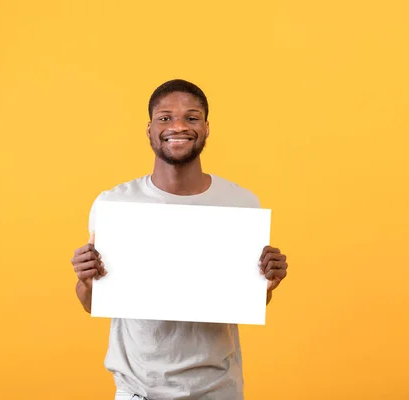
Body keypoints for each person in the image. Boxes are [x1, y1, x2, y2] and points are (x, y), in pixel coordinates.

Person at [71, 79, 289, 400]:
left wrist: (267, 284)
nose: (178, 126)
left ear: (206, 127)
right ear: (149, 129)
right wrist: (86, 278)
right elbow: (93, 303)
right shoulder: (115, 204)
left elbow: (243, 302)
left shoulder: (240, 203)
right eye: (165, 117)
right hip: (137, 391)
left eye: (191, 117)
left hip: (217, 389)